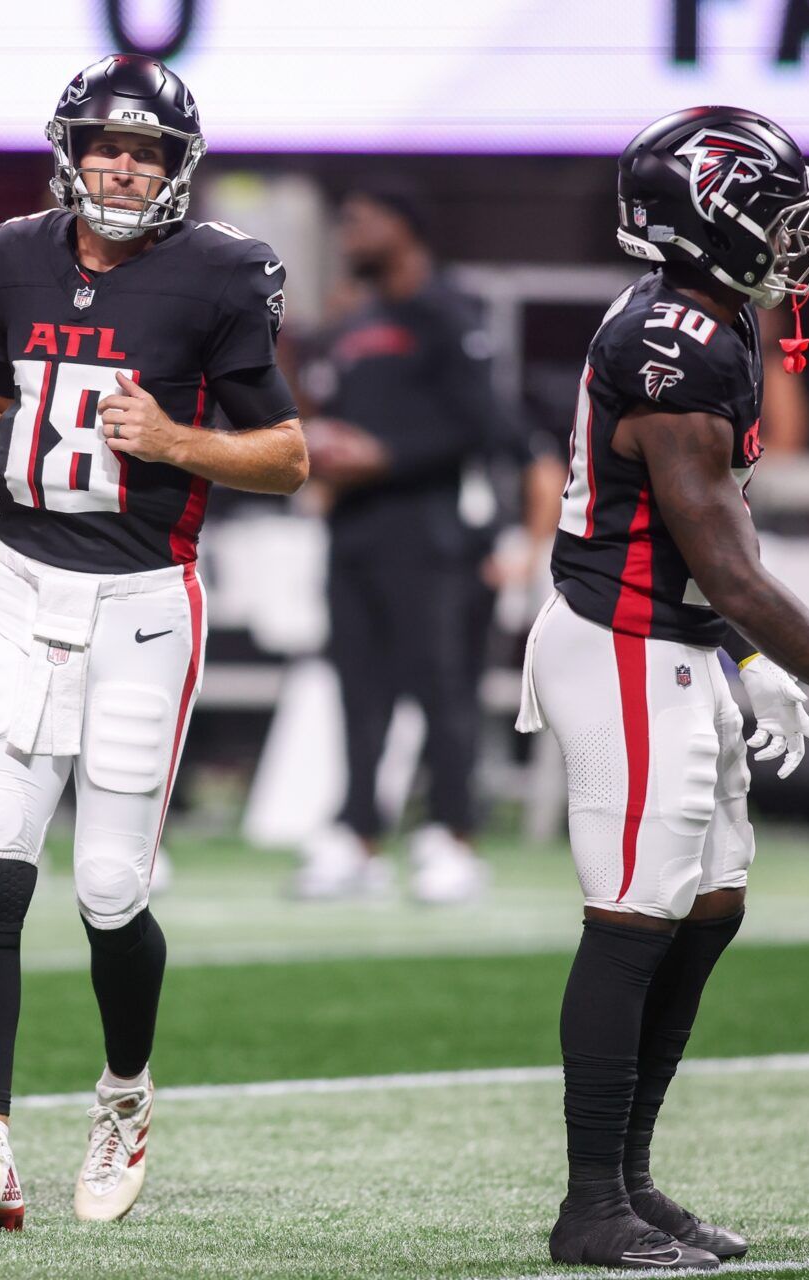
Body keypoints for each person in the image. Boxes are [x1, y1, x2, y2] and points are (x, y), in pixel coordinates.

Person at [518, 107, 809, 1269]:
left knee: (709, 904)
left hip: (678, 639)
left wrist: (754, 658)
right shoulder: (677, 340)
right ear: (708, 220)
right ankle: (588, 1207)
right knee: (635, 913)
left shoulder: (716, 319)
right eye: (773, 214)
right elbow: (721, 559)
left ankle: (630, 1178)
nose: (792, 237)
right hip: (623, 639)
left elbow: (717, 550)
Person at [0, 55, 307, 1231]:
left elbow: (288, 454)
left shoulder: (219, 272)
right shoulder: (13, 250)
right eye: (106, 142)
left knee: (105, 887)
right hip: (16, 588)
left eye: (146, 149)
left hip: (144, 599)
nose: (123, 164)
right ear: (70, 146)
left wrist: (179, 441)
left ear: (178, 165)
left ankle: (125, 1093)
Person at [293, 182, 538, 904]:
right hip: (355, 529)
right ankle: (358, 835)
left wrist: (387, 456)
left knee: (444, 690)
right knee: (357, 689)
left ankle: (451, 836)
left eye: (362, 221)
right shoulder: (353, 324)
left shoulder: (449, 313)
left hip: (435, 534)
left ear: (404, 228)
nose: (349, 235)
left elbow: (488, 428)